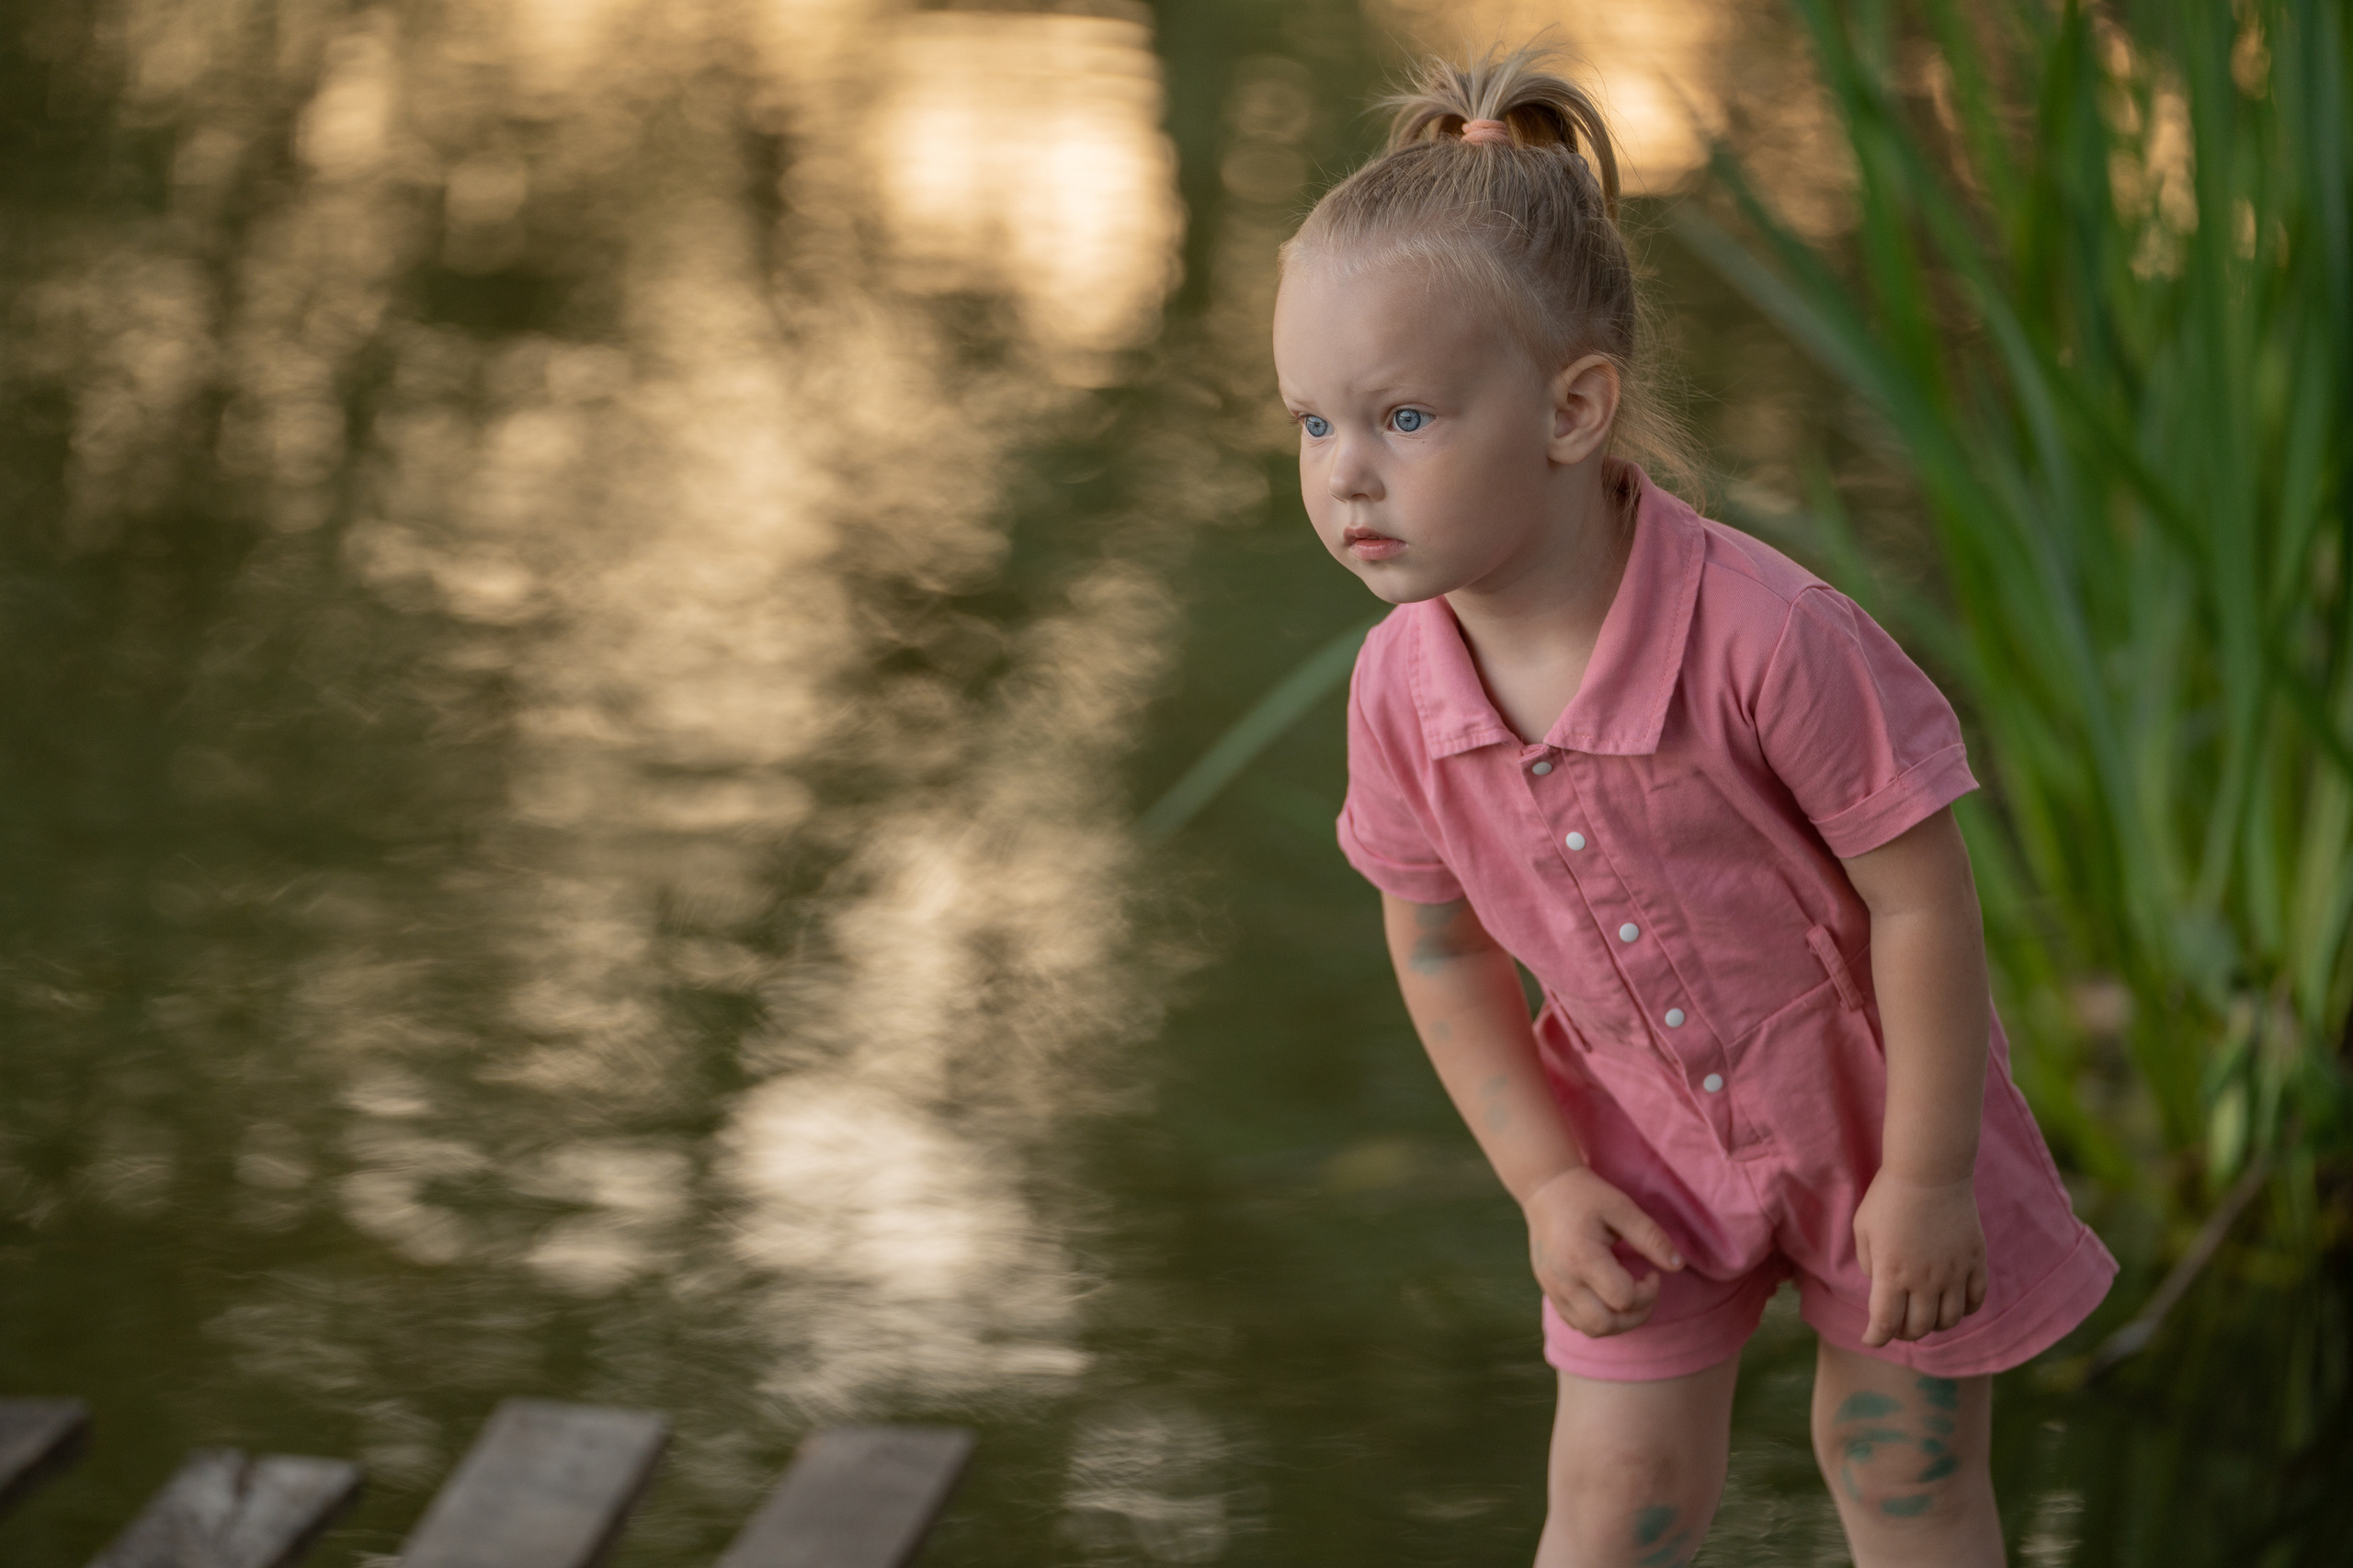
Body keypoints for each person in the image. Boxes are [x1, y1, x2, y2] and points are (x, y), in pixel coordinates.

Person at [1271, 47, 2117, 1568]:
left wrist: (1927, 1177)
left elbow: (1923, 896)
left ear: (1574, 408)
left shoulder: (1768, 637)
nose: (1345, 480)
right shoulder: (1400, 692)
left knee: (1903, 1478)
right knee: (1614, 1504)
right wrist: (1545, 1178)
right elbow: (1441, 946)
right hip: (1637, 1139)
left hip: (1878, 1120)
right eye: (1310, 425)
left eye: (1400, 419)